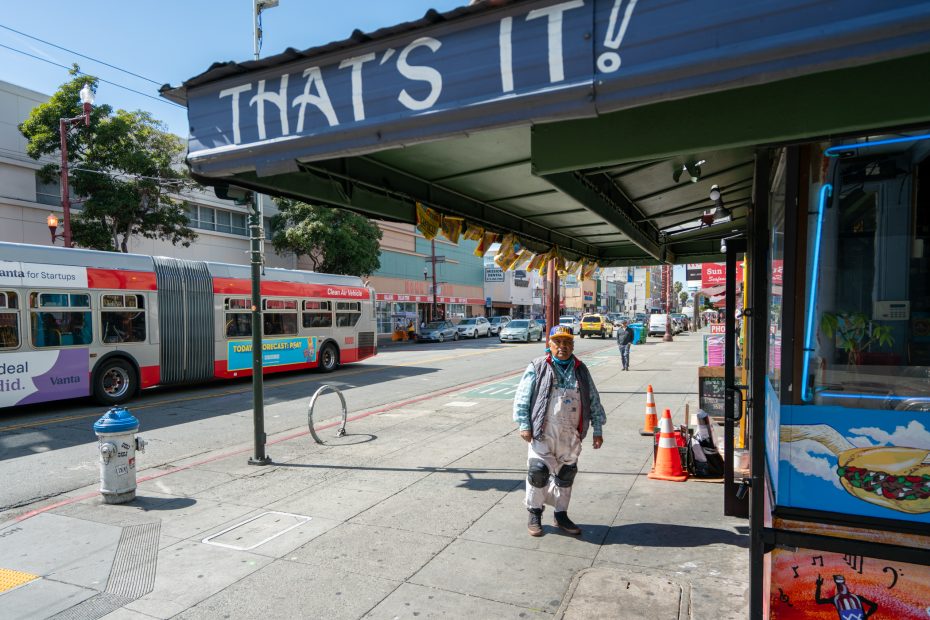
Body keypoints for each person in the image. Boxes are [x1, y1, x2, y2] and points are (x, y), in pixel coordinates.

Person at [512, 325, 606, 537]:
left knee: (566, 475)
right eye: (558, 342)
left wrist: (597, 429)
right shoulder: (538, 366)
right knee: (538, 472)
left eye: (567, 342)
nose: (562, 347)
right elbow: (522, 397)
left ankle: (561, 515)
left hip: (570, 434)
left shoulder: (580, 369)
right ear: (550, 345)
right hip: (543, 432)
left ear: (572, 345)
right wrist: (524, 424)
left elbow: (593, 400)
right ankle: (534, 513)